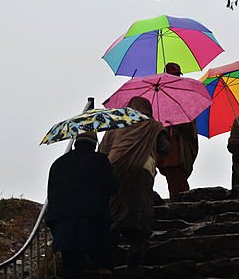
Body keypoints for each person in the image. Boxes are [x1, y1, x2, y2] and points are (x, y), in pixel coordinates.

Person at [99, 97, 168, 267]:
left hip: (115, 167)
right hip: (142, 169)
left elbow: (103, 150)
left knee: (116, 205)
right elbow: (165, 149)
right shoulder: (153, 125)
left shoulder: (117, 122)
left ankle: (111, 245)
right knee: (140, 206)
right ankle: (137, 247)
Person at [45, 131, 117, 279]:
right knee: (103, 261)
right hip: (93, 219)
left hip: (63, 221)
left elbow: (52, 193)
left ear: (76, 142)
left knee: (71, 267)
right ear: (94, 144)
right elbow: (112, 188)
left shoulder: (58, 163)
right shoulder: (100, 160)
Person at [156, 62, 200, 197]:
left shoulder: (185, 98)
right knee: (174, 180)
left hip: (179, 147)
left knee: (178, 180)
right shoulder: (160, 99)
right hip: (169, 147)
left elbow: (190, 125)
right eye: (172, 76)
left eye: (177, 76)